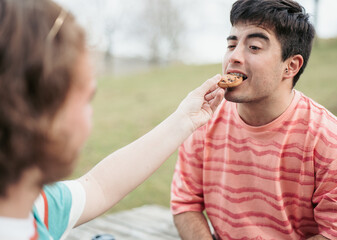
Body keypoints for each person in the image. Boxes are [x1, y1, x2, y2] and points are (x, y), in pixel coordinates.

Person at [0, 0, 225, 239]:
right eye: (87, 99)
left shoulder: (35, 206)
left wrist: (184, 119)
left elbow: (99, 186)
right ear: (39, 112)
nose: (91, 115)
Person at [170, 0, 337, 239]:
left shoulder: (334, 143)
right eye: (231, 44)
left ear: (291, 66)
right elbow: (184, 203)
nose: (234, 57)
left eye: (254, 47)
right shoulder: (203, 120)